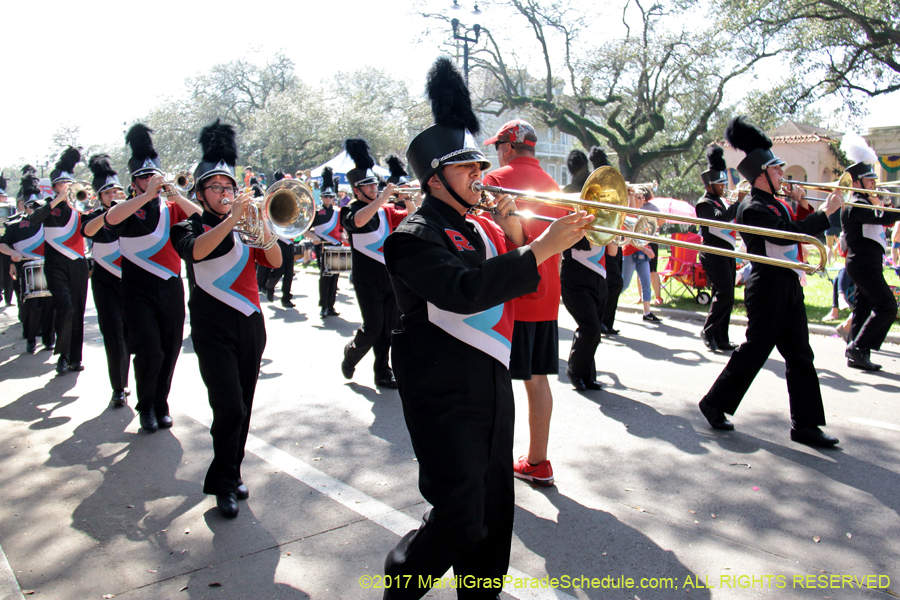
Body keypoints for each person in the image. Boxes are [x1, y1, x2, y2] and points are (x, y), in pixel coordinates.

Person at [382, 56, 592, 599]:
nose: (479, 176)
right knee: (460, 516)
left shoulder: (482, 226)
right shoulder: (413, 235)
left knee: (495, 517)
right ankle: (399, 583)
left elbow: (515, 272)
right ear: (434, 179)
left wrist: (524, 230)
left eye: (480, 167)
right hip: (442, 389)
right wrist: (542, 245)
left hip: (493, 381)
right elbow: (463, 290)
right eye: (465, 170)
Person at [698, 116, 843, 448]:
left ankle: (805, 425)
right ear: (761, 175)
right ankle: (714, 403)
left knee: (800, 355)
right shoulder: (752, 207)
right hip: (767, 286)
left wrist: (807, 206)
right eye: (777, 170)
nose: (783, 174)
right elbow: (788, 233)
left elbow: (796, 229)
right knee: (754, 351)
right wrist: (826, 213)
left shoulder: (775, 202)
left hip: (787, 282)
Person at [171, 119, 282, 519]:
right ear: (200, 194)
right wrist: (234, 218)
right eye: (215, 188)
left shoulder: (248, 225)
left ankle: (232, 474)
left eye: (228, 187)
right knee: (228, 407)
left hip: (251, 323)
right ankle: (223, 483)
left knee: (244, 405)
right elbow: (197, 252)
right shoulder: (188, 225)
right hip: (212, 326)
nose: (224, 193)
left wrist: (262, 226)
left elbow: (275, 260)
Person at [482, 118, 568, 487]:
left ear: (507, 146)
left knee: (493, 382)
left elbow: (486, 240)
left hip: (507, 295)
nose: (497, 153)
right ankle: (538, 461)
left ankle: (491, 464)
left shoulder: (494, 180)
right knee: (537, 380)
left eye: (498, 146)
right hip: (546, 295)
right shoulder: (555, 186)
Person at [105, 124, 201, 433]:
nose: (151, 182)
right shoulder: (129, 208)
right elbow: (112, 218)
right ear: (133, 182)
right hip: (136, 288)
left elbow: (199, 216)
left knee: (171, 346)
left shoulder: (171, 207)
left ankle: (161, 402)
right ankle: (145, 405)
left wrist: (173, 192)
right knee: (149, 348)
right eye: (144, 177)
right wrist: (145, 195)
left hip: (170, 285)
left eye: (153, 176)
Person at [339, 138, 414, 389]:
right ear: (356, 190)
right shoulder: (350, 210)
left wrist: (409, 198)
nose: (373, 187)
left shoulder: (385, 209)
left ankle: (382, 372)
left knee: (390, 329)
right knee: (373, 328)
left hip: (389, 278)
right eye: (367, 185)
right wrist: (382, 197)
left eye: (374, 183)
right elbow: (359, 222)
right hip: (366, 280)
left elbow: (412, 218)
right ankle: (351, 354)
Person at [838, 133, 900, 371]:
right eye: (869, 181)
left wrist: (882, 203)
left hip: (868, 262)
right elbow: (885, 218)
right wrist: (886, 206)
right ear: (856, 183)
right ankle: (857, 348)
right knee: (887, 306)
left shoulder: (868, 202)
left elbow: (884, 215)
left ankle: (856, 351)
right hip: (862, 263)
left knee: (863, 308)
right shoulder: (855, 204)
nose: (874, 184)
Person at [29, 147, 89, 375]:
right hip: (55, 264)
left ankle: (75, 357)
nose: (66, 187)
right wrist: (57, 200)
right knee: (65, 307)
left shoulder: (80, 205)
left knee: (78, 311)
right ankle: (62, 356)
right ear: (54, 186)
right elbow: (34, 219)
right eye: (61, 184)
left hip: (78, 263)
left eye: (69, 183)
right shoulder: (45, 205)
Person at [81, 155, 131, 406]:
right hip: (104, 282)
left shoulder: (132, 212)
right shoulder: (94, 216)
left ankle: (129, 379)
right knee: (113, 333)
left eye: (117, 191)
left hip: (131, 281)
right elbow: (87, 231)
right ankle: (118, 387)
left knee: (129, 333)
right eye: (108, 192)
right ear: (100, 197)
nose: (113, 195)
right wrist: (110, 213)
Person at [560, 149, 607, 391]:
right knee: (590, 328)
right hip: (576, 272)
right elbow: (571, 237)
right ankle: (575, 371)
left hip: (598, 273)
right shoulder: (569, 195)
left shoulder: (597, 193)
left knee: (594, 329)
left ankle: (587, 375)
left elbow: (609, 247)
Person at [0, 172, 54, 353]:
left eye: (37, 206)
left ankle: (48, 339)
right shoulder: (15, 224)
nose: (33, 209)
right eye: (30, 206)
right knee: (32, 306)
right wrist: (12, 256)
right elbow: (2, 243)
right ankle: (30, 338)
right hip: (26, 268)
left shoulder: (50, 223)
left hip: (48, 267)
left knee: (49, 306)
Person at [696, 145, 740, 352]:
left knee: (725, 295)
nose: (724, 186)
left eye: (724, 183)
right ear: (710, 185)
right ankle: (708, 330)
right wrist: (737, 203)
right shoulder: (704, 204)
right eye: (720, 184)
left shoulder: (720, 201)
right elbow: (720, 221)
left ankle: (722, 336)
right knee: (725, 293)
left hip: (727, 252)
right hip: (713, 252)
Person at [592, 146, 623, 336]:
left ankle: (607, 322)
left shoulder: (613, 192)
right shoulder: (595, 190)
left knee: (615, 283)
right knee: (613, 283)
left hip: (612, 240)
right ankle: (602, 321)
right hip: (601, 242)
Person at [621, 191, 662, 324]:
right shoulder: (629, 216)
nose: (641, 200)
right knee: (624, 284)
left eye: (642, 198)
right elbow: (630, 239)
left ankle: (647, 313)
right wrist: (644, 248)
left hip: (642, 254)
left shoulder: (642, 215)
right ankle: (608, 305)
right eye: (638, 197)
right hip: (630, 253)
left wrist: (646, 247)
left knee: (646, 283)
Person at [308, 167, 343, 317]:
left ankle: (331, 306)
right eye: (325, 196)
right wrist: (312, 237)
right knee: (325, 277)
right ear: (321, 197)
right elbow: (304, 228)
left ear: (334, 197)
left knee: (335, 277)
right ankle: (323, 306)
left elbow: (341, 230)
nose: (328, 199)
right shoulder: (316, 212)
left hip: (336, 246)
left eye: (330, 196)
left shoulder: (338, 211)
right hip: (322, 247)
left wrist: (344, 237)